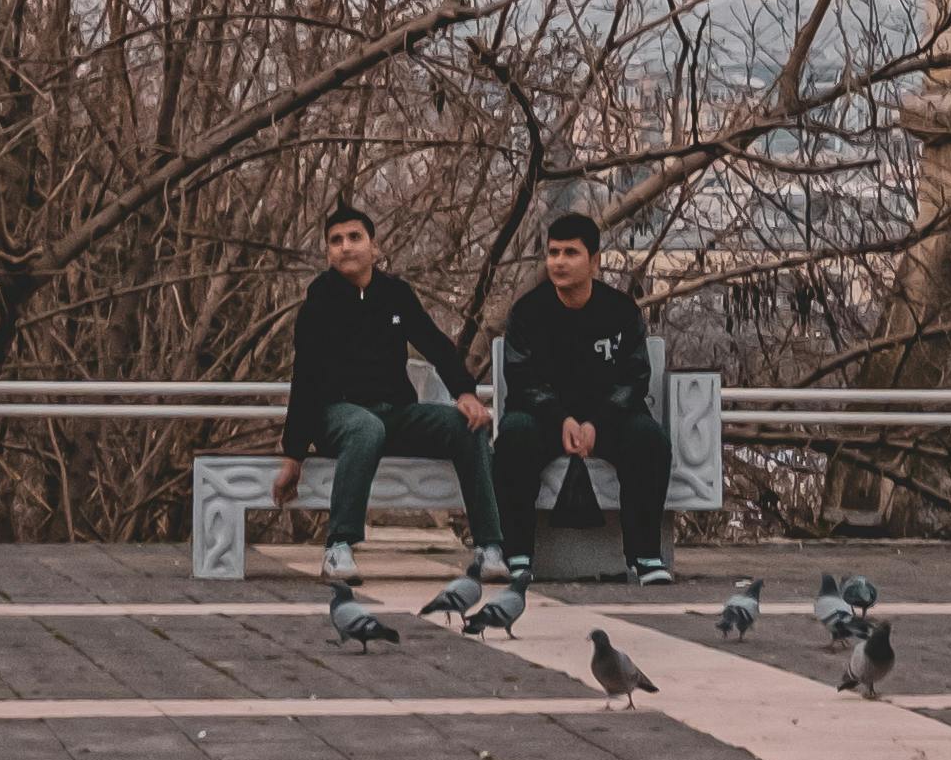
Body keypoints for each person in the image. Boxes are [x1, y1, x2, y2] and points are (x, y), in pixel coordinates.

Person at [268, 204, 508, 591]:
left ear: (374, 247)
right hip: (338, 417)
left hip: (395, 415)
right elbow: (306, 376)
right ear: (328, 253)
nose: (346, 247)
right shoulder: (320, 300)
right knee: (365, 427)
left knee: (467, 424)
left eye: (354, 238)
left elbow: (436, 344)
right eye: (336, 241)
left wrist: (465, 393)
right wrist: (294, 454)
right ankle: (339, 546)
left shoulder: (395, 294)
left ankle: (489, 549)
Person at [492, 203, 671, 584]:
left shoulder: (620, 312)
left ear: (594, 261)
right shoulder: (528, 312)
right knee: (513, 437)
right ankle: (518, 554)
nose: (559, 262)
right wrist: (562, 420)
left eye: (570, 253)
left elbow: (635, 377)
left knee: (648, 440)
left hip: (610, 419)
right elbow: (521, 378)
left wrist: (597, 423)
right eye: (553, 252)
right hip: (543, 419)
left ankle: (645, 557)